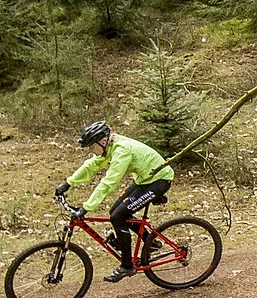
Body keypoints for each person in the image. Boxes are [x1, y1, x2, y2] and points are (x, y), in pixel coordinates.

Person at [59, 120, 175, 283]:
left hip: (159, 180)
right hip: (145, 179)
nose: (91, 151)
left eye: (92, 147)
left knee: (118, 216)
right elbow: (91, 166)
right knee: (115, 212)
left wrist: (86, 208)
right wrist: (68, 183)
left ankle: (127, 265)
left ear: (103, 141)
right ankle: (152, 242)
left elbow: (109, 182)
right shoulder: (110, 146)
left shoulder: (121, 150)